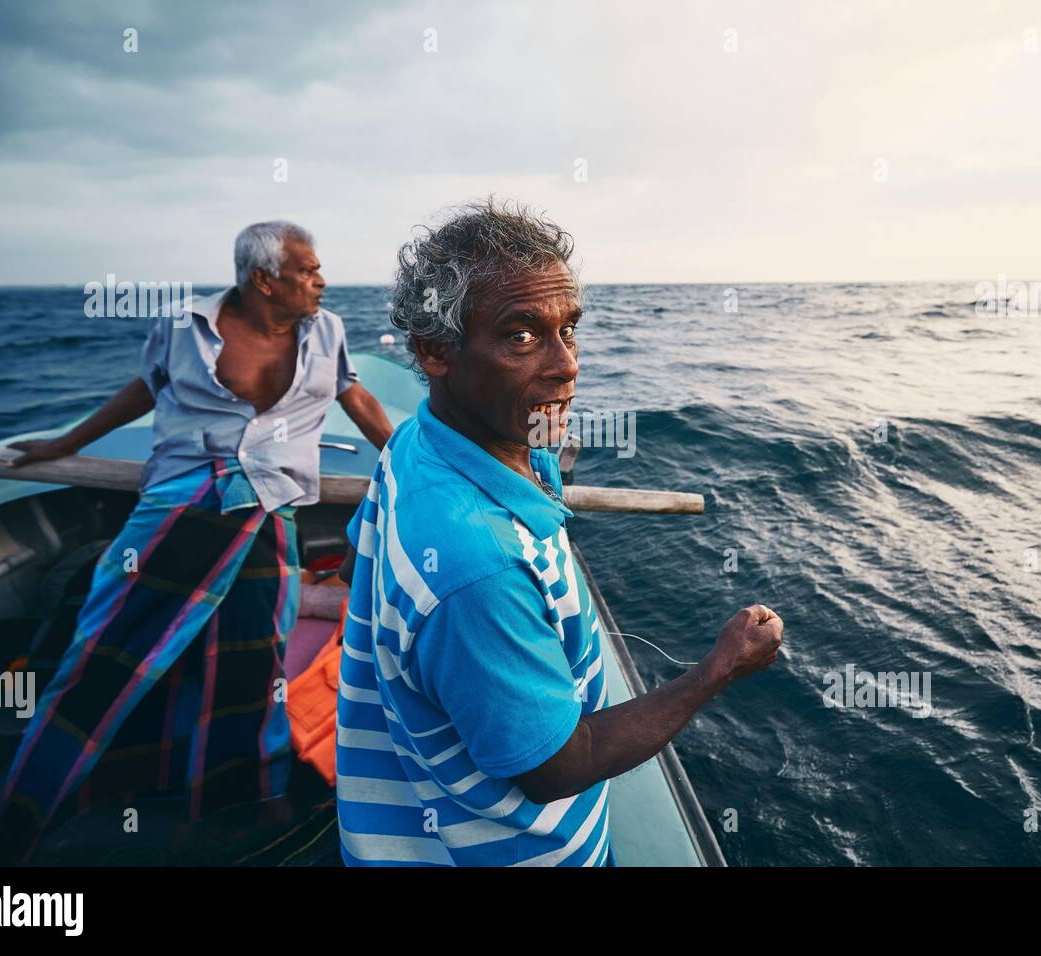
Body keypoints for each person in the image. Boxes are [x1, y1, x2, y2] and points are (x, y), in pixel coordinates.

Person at [335, 199, 784, 866]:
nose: (567, 364)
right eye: (521, 335)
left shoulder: (413, 443)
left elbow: (357, 558)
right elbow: (556, 767)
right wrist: (718, 670)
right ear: (435, 352)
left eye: (568, 331)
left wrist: (543, 431)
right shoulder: (477, 566)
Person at [0, 221, 392, 863]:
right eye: (308, 270)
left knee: (253, 667)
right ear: (265, 278)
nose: (322, 279)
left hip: (267, 514)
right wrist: (67, 445)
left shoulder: (327, 332)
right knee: (104, 656)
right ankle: (13, 829)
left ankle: (238, 803)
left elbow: (356, 397)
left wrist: (408, 459)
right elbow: (143, 392)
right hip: (178, 512)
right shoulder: (183, 327)